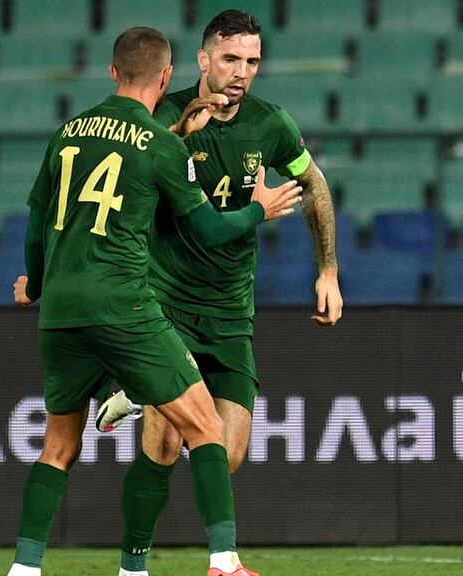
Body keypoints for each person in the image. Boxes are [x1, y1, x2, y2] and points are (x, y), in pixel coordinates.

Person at [5, 26, 301, 576]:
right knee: (205, 426)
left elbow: (35, 229)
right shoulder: (160, 143)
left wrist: (36, 286)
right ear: (167, 77)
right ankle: (225, 562)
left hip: (61, 312)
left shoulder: (67, 133)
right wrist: (259, 209)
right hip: (126, 307)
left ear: (112, 71)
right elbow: (209, 229)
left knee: (58, 447)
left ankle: (24, 569)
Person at [95, 10, 342, 576]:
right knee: (163, 446)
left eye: (252, 61)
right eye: (230, 59)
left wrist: (328, 270)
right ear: (203, 60)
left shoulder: (270, 124)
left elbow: (313, 183)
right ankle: (135, 568)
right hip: (166, 306)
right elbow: (126, 176)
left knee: (227, 455)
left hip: (231, 311)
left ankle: (136, 393)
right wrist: (179, 135)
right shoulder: (165, 114)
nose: (242, 72)